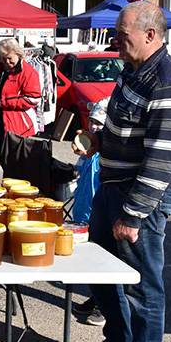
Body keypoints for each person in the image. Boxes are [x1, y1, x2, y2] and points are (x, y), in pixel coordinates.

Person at [74, 1, 171, 342]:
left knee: (143, 289)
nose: (115, 41)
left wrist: (132, 215)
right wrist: (99, 140)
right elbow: (129, 129)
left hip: (138, 199)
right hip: (111, 188)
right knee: (100, 272)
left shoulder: (168, 82)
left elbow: (159, 161)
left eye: (122, 35)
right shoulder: (133, 69)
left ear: (150, 35)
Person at [70, 98, 109, 327]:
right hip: (83, 213)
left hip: (99, 213)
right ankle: (97, 297)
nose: (95, 128)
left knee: (103, 260)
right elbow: (78, 172)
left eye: (101, 125)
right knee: (91, 262)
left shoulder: (106, 156)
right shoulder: (87, 148)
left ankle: (105, 307)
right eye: (93, 122)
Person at [0, 38, 42, 150]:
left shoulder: (27, 72)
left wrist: (6, 103)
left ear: (18, 54)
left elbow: (34, 98)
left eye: (10, 58)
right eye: (3, 58)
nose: (7, 62)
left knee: (16, 161)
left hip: (18, 124)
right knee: (4, 157)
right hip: (0, 121)